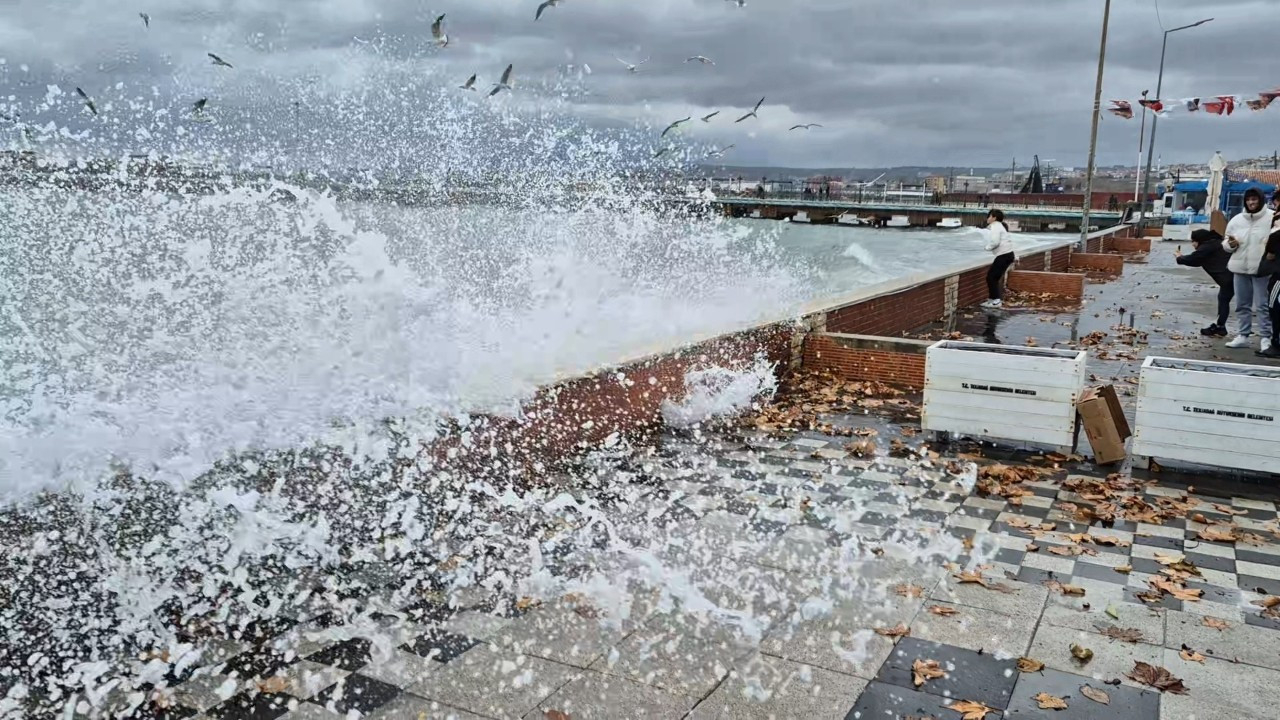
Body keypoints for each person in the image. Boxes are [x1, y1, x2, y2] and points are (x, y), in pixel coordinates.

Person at [1223, 188, 1275, 350]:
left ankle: (1266, 337)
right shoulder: (1237, 220)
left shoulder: (1272, 217)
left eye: (1255, 199)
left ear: (1261, 200)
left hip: (1263, 269)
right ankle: (1243, 334)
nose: (1251, 202)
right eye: (1248, 200)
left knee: (1262, 305)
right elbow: (1225, 242)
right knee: (1241, 304)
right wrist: (1230, 245)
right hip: (1239, 267)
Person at [1175, 229, 1234, 337]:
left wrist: (1179, 258)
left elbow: (1194, 259)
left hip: (1228, 278)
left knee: (1229, 302)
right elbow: (1198, 261)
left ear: (1199, 240)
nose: (1192, 244)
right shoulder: (1213, 244)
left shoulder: (1207, 247)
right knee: (1223, 300)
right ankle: (1220, 327)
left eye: (1193, 241)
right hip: (1229, 278)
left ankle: (1221, 327)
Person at [981, 209, 1015, 308]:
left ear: (994, 217)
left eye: (989, 216)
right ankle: (992, 300)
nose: (988, 218)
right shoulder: (999, 226)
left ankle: (996, 300)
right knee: (993, 277)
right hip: (1007, 254)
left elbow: (995, 242)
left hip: (1004, 255)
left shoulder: (995, 226)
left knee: (991, 277)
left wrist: (987, 248)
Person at [1257, 215, 1280, 358]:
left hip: (1278, 278)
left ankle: (1276, 345)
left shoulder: (1276, 236)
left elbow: (1270, 256)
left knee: (1275, 309)